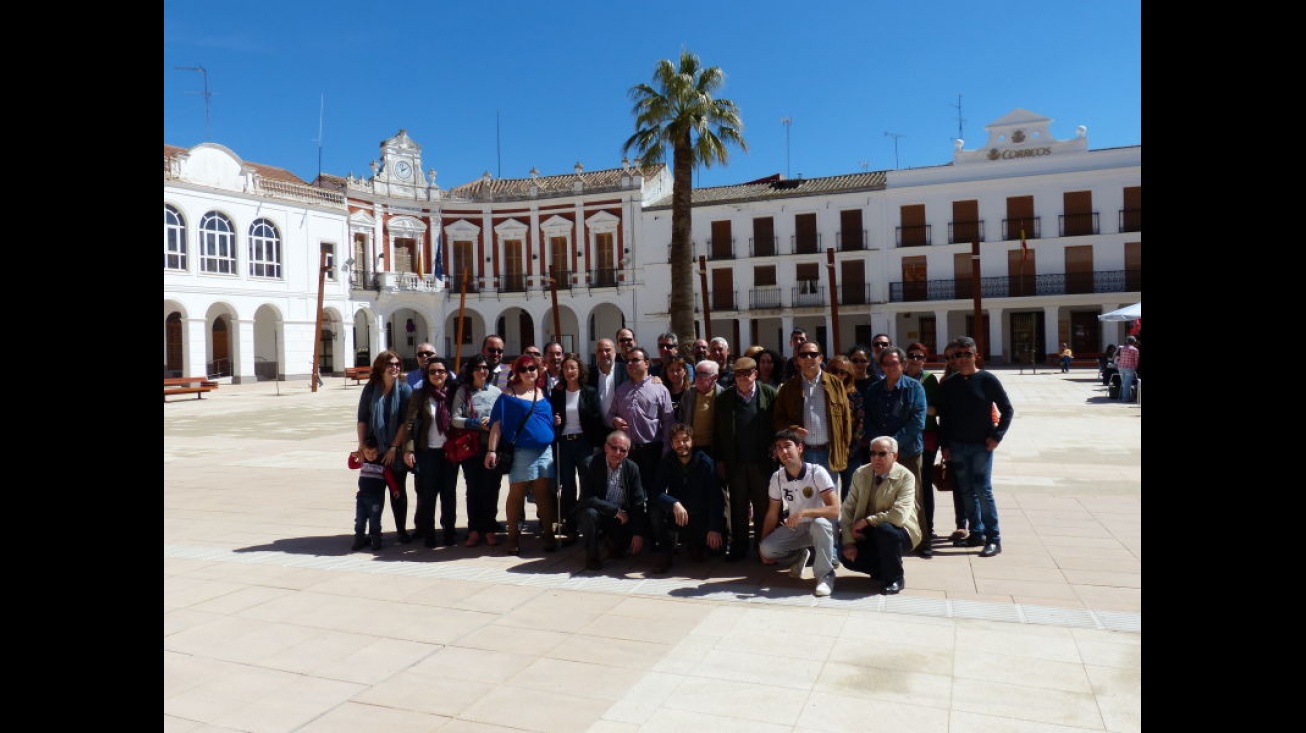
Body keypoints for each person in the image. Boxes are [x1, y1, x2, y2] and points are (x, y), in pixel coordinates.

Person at [938, 336, 1014, 558]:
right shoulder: (950, 384)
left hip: (981, 446)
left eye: (966, 354)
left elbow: (1007, 409)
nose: (962, 359)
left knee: (983, 490)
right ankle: (976, 533)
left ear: (975, 355)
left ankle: (993, 538)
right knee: (967, 491)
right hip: (958, 446)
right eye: (958, 355)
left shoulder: (987, 380)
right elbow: (946, 418)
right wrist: (945, 445)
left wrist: (997, 436)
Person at [485, 354, 558, 555]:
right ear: (517, 372)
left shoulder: (543, 394)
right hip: (521, 452)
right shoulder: (508, 396)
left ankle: (549, 535)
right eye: (524, 369)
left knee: (544, 494)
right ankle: (512, 538)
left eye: (532, 368)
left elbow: (547, 419)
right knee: (516, 495)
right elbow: (496, 425)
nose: (529, 372)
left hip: (544, 451)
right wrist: (491, 451)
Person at [863, 345, 929, 556]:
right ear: (881, 366)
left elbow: (918, 421)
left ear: (903, 364)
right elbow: (870, 420)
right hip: (880, 456)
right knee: (880, 498)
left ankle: (922, 540)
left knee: (913, 498)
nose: (891, 367)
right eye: (886, 364)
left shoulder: (915, 388)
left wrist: (892, 446)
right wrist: (881, 447)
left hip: (908, 452)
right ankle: (885, 541)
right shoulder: (874, 389)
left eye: (895, 363)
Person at [758, 429, 841, 597]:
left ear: (800, 448)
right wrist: (762, 546)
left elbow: (835, 509)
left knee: (820, 523)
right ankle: (800, 556)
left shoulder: (816, 472)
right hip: (797, 528)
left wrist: (804, 512)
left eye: (788, 446)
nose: (784, 451)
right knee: (767, 549)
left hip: (820, 528)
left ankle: (825, 576)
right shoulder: (777, 477)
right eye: (779, 448)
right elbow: (772, 514)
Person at [713, 356, 779, 561]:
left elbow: (777, 424)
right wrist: (720, 460)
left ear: (755, 374)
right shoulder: (724, 398)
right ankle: (739, 547)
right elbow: (717, 432)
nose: (742, 378)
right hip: (736, 461)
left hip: (762, 461)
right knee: (738, 507)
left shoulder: (768, 393)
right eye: (738, 374)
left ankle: (763, 546)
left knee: (763, 506)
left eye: (746, 373)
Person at [839, 435, 921, 595]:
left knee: (885, 530)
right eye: (872, 453)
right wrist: (848, 541)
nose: (876, 458)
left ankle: (896, 578)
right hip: (868, 531)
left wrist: (867, 521)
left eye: (882, 454)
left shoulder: (906, 477)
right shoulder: (861, 473)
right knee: (840, 551)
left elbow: (898, 517)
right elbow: (848, 508)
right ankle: (881, 569)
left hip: (901, 531)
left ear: (895, 456)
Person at [394, 356, 459, 547]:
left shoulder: (454, 393)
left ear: (447, 374)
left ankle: (448, 533)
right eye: (432, 371)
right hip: (428, 451)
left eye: (440, 371)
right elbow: (410, 423)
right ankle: (429, 534)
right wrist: (408, 449)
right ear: (427, 374)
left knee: (449, 494)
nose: (437, 374)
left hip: (449, 452)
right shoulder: (420, 393)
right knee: (428, 494)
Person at [608, 347, 676, 524]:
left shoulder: (660, 389)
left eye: (635, 360)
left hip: (653, 450)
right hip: (628, 452)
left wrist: (666, 451)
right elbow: (610, 414)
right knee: (631, 495)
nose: (630, 364)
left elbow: (668, 422)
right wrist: (614, 420)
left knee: (654, 495)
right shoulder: (621, 390)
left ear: (646, 363)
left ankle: (656, 536)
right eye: (628, 361)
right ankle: (636, 533)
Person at [647, 423, 726, 572]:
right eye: (677, 441)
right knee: (654, 508)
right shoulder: (667, 462)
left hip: (699, 516)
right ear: (671, 444)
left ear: (693, 442)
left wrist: (714, 528)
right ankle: (666, 549)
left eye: (685, 440)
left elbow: (716, 497)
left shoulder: (705, 462)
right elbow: (655, 492)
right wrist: (673, 503)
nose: (681, 444)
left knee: (714, 552)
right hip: (678, 515)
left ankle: (697, 545)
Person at [355, 350, 414, 544]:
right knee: (372, 493)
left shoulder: (405, 389)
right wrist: (362, 447)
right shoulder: (371, 389)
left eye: (397, 364)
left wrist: (394, 447)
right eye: (390, 364)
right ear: (381, 368)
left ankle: (401, 530)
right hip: (373, 451)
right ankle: (371, 532)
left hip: (394, 451)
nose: (395, 367)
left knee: (398, 491)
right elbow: (362, 419)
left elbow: (406, 422)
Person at [773, 340, 851, 481]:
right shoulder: (788, 388)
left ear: (821, 358)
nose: (809, 358)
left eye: (813, 354)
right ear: (798, 360)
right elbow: (778, 419)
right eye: (804, 355)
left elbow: (846, 420)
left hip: (829, 453)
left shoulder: (836, 385)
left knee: (829, 500)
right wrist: (793, 429)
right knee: (803, 499)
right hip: (802, 454)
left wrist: (843, 449)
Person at [550, 352, 606, 546]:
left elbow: (597, 418)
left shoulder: (589, 392)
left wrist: (598, 444)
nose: (569, 371)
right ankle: (570, 526)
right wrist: (555, 420)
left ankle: (587, 523)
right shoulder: (557, 392)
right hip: (564, 443)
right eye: (566, 368)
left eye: (573, 367)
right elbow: (551, 415)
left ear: (579, 370)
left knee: (587, 484)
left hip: (584, 442)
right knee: (567, 487)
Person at [451, 353, 503, 548]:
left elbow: (502, 417)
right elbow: (454, 418)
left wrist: (493, 423)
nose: (483, 371)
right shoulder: (463, 392)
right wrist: (474, 423)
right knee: (473, 489)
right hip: (470, 448)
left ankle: (489, 529)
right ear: (471, 371)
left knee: (491, 489)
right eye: (478, 368)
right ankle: (474, 530)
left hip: (492, 447)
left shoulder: (496, 392)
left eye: (485, 368)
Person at [576, 431, 647, 571]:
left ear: (627, 453)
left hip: (623, 518)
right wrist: (614, 511)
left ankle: (613, 543)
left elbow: (638, 501)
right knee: (589, 514)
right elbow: (587, 498)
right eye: (614, 448)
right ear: (606, 447)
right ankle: (592, 557)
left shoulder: (632, 468)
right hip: (601, 512)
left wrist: (638, 533)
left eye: (623, 450)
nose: (618, 452)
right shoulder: (590, 464)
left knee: (620, 553)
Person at [904, 341, 941, 550]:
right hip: (905, 437)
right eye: (912, 355)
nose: (915, 360)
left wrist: (919, 407)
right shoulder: (899, 378)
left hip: (926, 436)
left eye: (919, 357)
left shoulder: (929, 380)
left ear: (925, 360)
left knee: (924, 483)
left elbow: (937, 410)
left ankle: (928, 527)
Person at [938, 342, 969, 543]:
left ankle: (979, 525)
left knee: (976, 487)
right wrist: (945, 445)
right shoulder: (944, 382)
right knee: (958, 485)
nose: (952, 361)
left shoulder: (975, 378)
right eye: (948, 357)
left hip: (975, 442)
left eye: (955, 356)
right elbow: (944, 417)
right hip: (953, 441)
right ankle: (961, 524)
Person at [826, 354, 866, 501]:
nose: (838, 375)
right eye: (835, 371)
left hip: (851, 451)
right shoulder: (823, 392)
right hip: (828, 450)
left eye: (843, 372)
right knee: (829, 489)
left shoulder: (854, 395)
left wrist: (851, 447)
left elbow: (860, 423)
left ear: (849, 375)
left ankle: (847, 522)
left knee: (849, 491)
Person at [349, 437, 398, 552]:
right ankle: (359, 539)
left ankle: (376, 540)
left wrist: (395, 489)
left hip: (376, 498)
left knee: (375, 521)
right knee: (359, 520)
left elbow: (390, 478)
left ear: (378, 451)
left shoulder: (381, 464)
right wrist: (352, 456)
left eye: (374, 453)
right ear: (363, 452)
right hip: (362, 498)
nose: (371, 455)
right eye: (368, 453)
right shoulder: (363, 462)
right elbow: (351, 465)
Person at [679, 356, 723, 457]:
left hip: (715, 449)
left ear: (715, 377)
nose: (697, 377)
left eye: (702, 374)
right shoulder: (688, 394)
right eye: (696, 374)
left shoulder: (722, 395)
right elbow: (681, 419)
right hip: (692, 447)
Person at [589, 337, 625, 431]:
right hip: (597, 431)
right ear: (596, 354)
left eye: (607, 350)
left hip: (622, 429)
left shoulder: (626, 371)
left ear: (615, 351)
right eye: (600, 351)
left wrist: (655, 378)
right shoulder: (588, 375)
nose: (604, 354)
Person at [1115, 335, 1140, 402]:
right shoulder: (1135, 350)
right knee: (1127, 384)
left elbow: (1118, 356)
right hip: (1130, 368)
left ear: (1127, 341)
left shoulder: (1122, 348)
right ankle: (1125, 399)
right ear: (1134, 342)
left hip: (1121, 367)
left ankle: (1126, 397)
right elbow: (1136, 360)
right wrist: (1136, 368)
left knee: (1124, 383)